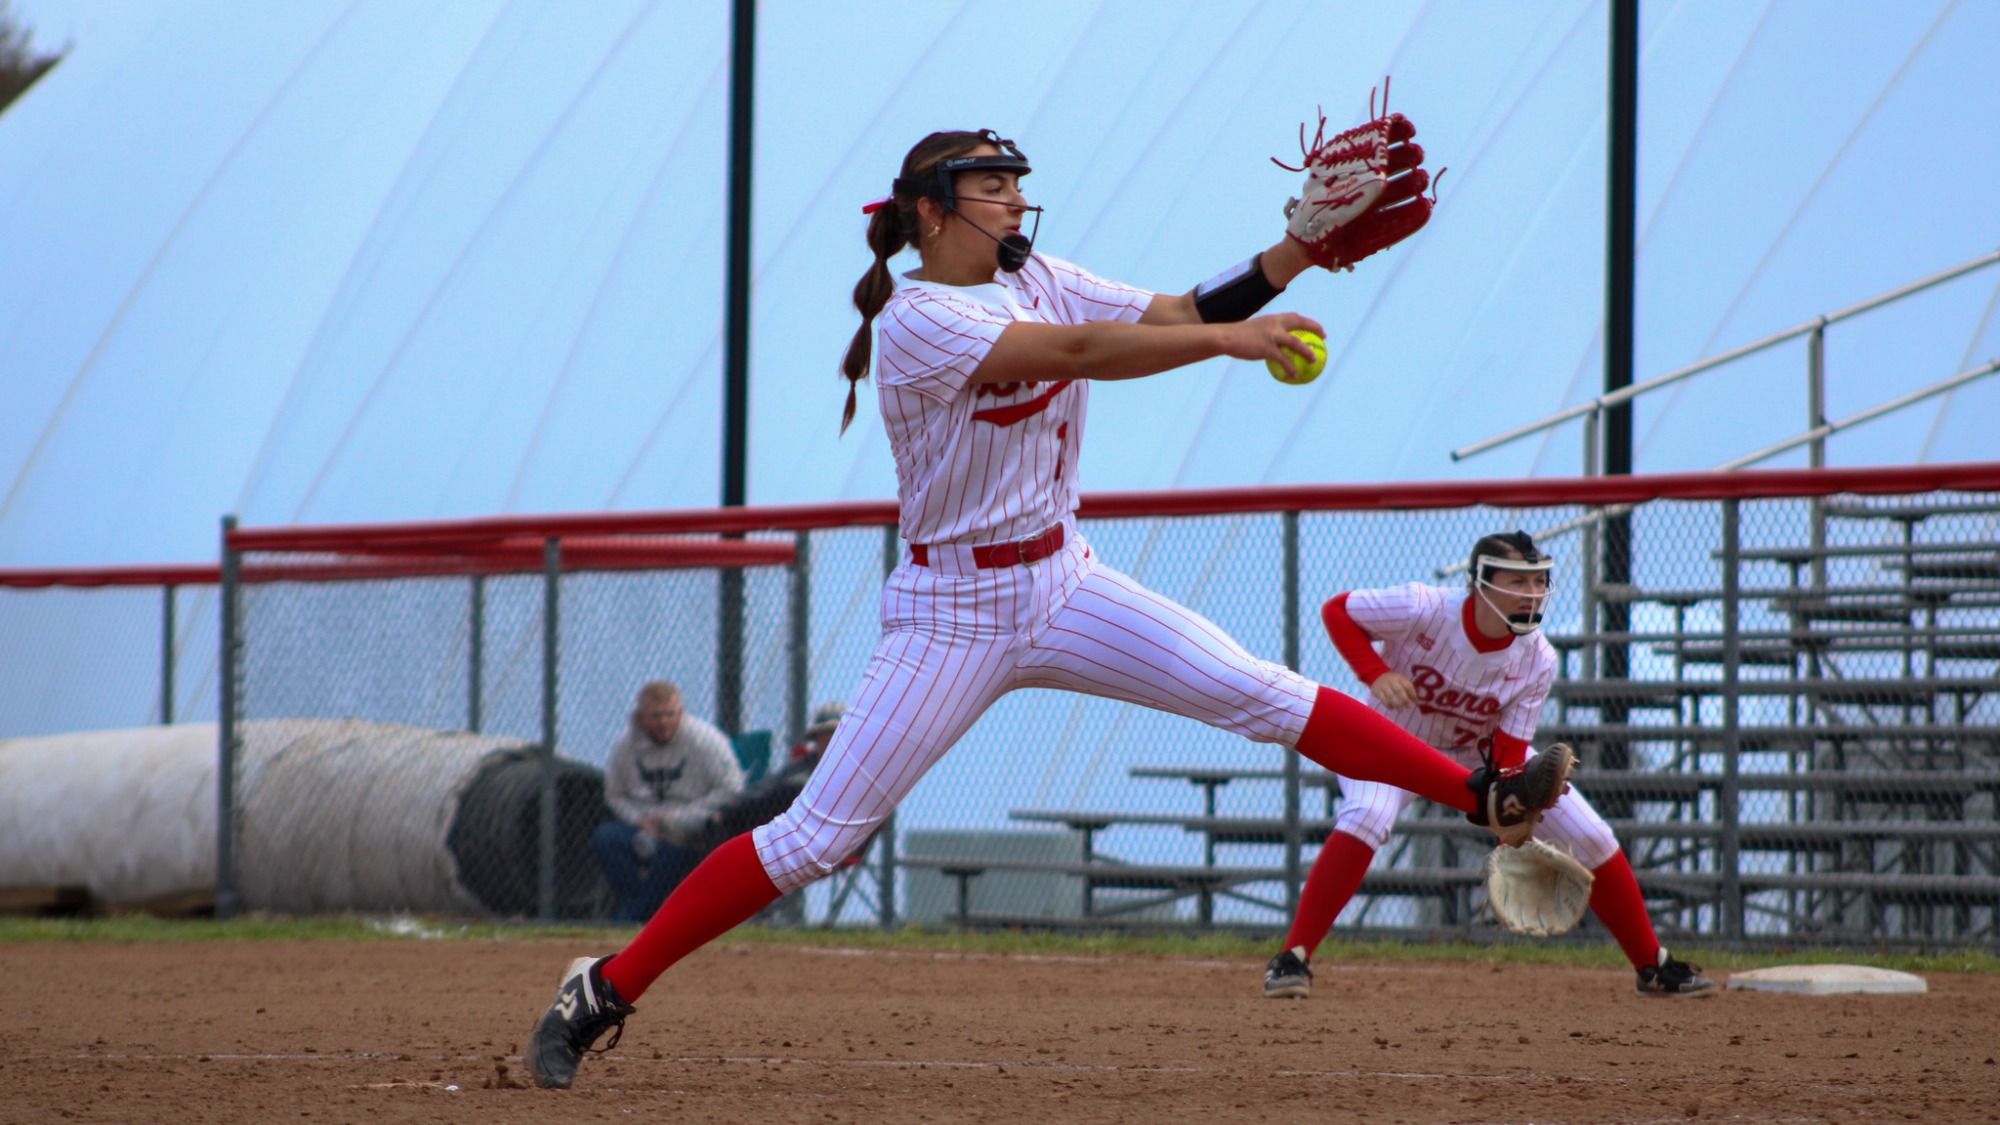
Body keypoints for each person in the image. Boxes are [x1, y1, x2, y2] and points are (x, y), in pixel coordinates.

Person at [526, 122, 1577, 1089]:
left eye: (1015, 183)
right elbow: (1081, 354)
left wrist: (1292, 252)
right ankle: (603, 990)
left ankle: (1480, 795)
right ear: (929, 210)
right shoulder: (915, 318)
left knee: (1260, 690)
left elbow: (1179, 312)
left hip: (1063, 580)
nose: (1013, 199)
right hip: (950, 610)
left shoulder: (1039, 275)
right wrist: (1231, 345)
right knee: (815, 841)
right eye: (989, 185)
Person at [1260, 531, 1718, 1001]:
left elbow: (1508, 758)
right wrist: (1374, 673)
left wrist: (1511, 834)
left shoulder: (1538, 658)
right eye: (1518, 582)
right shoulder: (1423, 606)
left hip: (1475, 757)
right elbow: (1338, 610)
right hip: (1389, 741)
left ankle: (1652, 965)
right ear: (1480, 582)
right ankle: (1292, 959)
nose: (1532, 594)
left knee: (1592, 836)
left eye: (1538, 582)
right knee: (1368, 816)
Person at [591, 681, 744, 923]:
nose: (664, 722)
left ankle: (634, 917)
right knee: (606, 839)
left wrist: (681, 818)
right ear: (641, 718)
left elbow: (732, 789)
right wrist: (639, 819)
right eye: (656, 716)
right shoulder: (625, 747)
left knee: (676, 849)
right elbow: (614, 794)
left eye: (670, 714)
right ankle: (642, 910)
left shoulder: (705, 741)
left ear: (680, 712)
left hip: (690, 827)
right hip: (644, 826)